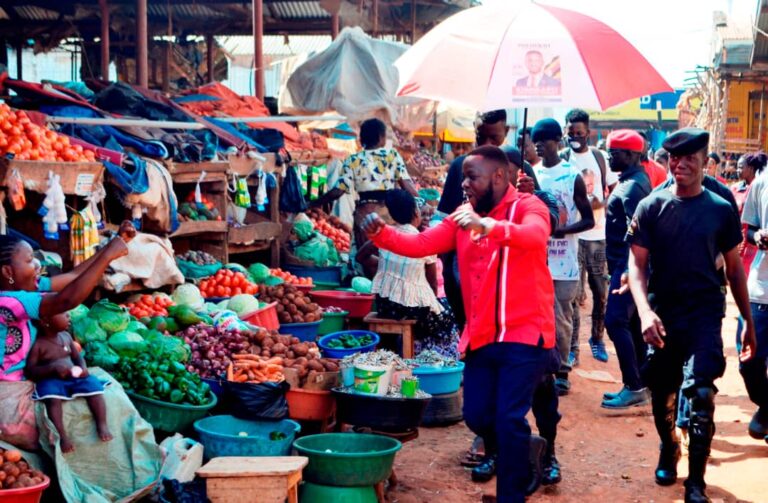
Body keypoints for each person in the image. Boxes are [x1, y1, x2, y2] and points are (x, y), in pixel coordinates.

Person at [363, 145, 554, 503]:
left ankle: (509, 495)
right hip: (482, 334)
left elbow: (535, 236)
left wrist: (491, 226)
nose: (463, 184)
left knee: (509, 419)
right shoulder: (462, 216)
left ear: (499, 177)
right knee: (478, 415)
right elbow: (420, 243)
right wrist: (381, 234)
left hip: (526, 333)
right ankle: (527, 451)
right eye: (463, 176)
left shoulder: (529, 207)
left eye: (472, 177)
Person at [627, 128, 756, 503]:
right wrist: (646, 312)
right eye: (674, 158)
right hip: (662, 314)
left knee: (702, 394)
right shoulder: (651, 206)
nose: (680, 164)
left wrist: (747, 321)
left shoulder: (720, 209)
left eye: (689, 158)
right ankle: (670, 448)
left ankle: (696, 480)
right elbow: (636, 267)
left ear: (705, 161)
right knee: (661, 392)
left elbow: (734, 269)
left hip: (703, 314)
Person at [0, 226, 132, 383]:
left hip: (21, 378)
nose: (37, 265)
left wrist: (112, 246)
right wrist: (107, 257)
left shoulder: (26, 286)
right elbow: (66, 300)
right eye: (29, 260)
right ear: (8, 272)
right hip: (7, 386)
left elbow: (74, 276)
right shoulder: (7, 302)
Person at [531, 118, 595, 395]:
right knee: (536, 316)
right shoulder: (531, 175)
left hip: (565, 263)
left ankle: (562, 370)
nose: (538, 146)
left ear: (557, 140)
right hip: (536, 261)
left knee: (561, 318)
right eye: (535, 142)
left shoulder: (572, 175)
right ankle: (541, 368)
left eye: (543, 141)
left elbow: (589, 220)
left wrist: (561, 230)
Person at [358, 190, 460, 360]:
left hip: (385, 306)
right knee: (446, 314)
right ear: (415, 213)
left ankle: (403, 350)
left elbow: (361, 257)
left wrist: (386, 265)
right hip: (411, 310)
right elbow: (433, 284)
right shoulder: (424, 240)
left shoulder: (384, 235)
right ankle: (435, 357)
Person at [312, 118, 418, 277]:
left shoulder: (353, 160)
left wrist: (313, 203)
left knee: (367, 256)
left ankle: (369, 291)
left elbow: (338, 191)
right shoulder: (392, 156)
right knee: (390, 254)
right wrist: (421, 202)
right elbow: (406, 184)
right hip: (389, 213)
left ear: (361, 139)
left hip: (365, 214)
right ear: (382, 138)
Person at [438, 110, 512, 330]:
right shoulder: (459, 166)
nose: (487, 145)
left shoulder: (518, 167)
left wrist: (529, 191)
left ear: (506, 132)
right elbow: (444, 219)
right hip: (464, 268)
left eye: (495, 139)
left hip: (503, 270)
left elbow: (541, 216)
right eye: (482, 138)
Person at [599, 130, 652, 409]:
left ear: (632, 155)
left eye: (615, 152)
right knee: (631, 325)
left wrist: (630, 271)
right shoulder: (628, 181)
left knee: (615, 321)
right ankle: (642, 383)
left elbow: (641, 232)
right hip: (623, 262)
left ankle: (634, 385)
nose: (610, 156)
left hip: (627, 263)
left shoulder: (633, 187)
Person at [561, 109, 616, 365]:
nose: (574, 137)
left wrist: (602, 203)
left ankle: (597, 338)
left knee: (600, 292)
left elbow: (613, 188)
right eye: (570, 132)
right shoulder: (562, 159)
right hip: (572, 238)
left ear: (588, 133)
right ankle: (573, 349)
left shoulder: (599, 157)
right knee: (573, 296)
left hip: (597, 235)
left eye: (579, 132)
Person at [26, 311, 111, 453]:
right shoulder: (39, 345)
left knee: (94, 387)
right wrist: (51, 368)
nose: (68, 317)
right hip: (52, 379)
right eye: (64, 314)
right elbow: (30, 370)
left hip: (73, 375)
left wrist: (83, 369)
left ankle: (102, 424)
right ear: (45, 321)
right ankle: (62, 436)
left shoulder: (66, 336)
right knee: (52, 399)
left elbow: (78, 358)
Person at [738, 151, 768, 442]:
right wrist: (759, 238)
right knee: (748, 362)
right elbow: (750, 232)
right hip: (762, 288)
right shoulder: (762, 181)